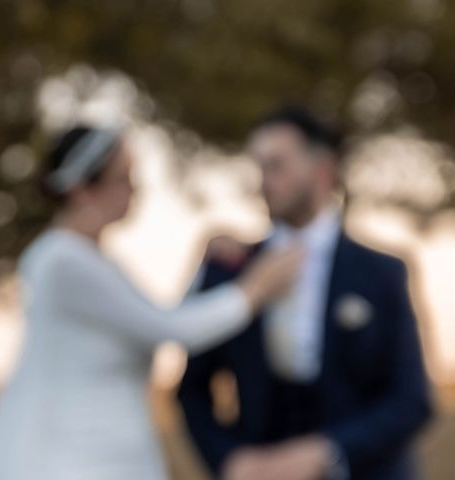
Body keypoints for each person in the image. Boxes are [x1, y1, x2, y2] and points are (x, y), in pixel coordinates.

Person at [0, 125, 302, 480]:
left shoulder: (96, 261)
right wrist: (254, 289)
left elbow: (157, 322)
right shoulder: (62, 261)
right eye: (123, 178)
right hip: (66, 462)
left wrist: (203, 264)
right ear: (81, 190)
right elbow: (171, 329)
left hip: (106, 459)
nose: (135, 188)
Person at [178, 108, 434, 480]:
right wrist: (229, 459)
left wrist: (329, 451)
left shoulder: (382, 273)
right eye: (260, 166)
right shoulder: (230, 268)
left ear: (322, 170)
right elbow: (192, 390)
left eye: (277, 165)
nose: (264, 181)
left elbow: (412, 399)